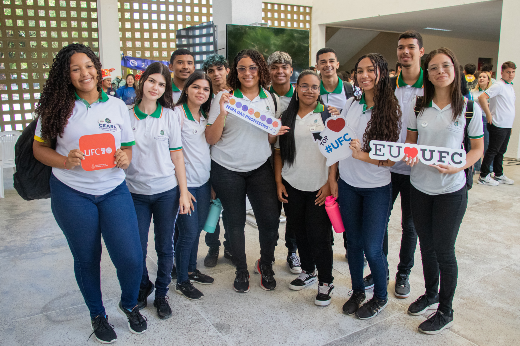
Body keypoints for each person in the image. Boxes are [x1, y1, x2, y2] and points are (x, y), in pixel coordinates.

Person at [32, 44, 146, 343]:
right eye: (75, 69)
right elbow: (39, 149)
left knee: (132, 257)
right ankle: (97, 314)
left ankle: (130, 303)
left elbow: (127, 146)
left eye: (89, 66)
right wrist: (64, 161)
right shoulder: (55, 107)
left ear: (98, 68)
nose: (85, 73)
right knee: (87, 258)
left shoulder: (117, 106)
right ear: (66, 75)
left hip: (113, 190)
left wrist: (125, 157)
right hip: (72, 193)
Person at [404, 47, 484, 334]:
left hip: (451, 189)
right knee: (426, 246)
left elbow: (477, 149)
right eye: (434, 67)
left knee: (444, 250)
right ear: (428, 73)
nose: (440, 72)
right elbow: (411, 142)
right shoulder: (418, 105)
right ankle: (431, 293)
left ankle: (446, 310)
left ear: (455, 69)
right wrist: (410, 153)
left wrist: (460, 165)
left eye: (446, 66)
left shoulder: (467, 107)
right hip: (420, 187)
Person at [206, 49, 289, 293]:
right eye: (242, 68)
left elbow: (269, 139)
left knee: (269, 221)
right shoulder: (224, 96)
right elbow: (211, 138)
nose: (247, 73)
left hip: (259, 167)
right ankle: (241, 269)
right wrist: (222, 112)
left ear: (260, 70)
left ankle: (266, 265)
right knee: (235, 222)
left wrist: (277, 132)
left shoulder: (270, 98)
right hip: (227, 168)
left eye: (252, 67)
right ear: (235, 71)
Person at [333, 53, 401, 320]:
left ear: (381, 73)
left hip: (375, 188)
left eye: (370, 70)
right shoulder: (352, 102)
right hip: (348, 184)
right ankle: (357, 290)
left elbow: (391, 159)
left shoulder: (392, 109)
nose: (364, 75)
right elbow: (343, 140)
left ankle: (381, 297)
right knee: (353, 244)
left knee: (373, 248)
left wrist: (362, 155)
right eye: (359, 71)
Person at [125, 62, 191, 319]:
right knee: (136, 248)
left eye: (162, 84)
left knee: (165, 246)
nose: (156, 87)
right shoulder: (126, 114)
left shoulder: (170, 116)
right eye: (152, 81)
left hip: (166, 192)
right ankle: (144, 286)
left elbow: (177, 157)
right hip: (134, 193)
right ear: (142, 82)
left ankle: (161, 293)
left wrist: (184, 192)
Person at [364, 30, 425, 299]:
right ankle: (382, 269)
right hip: (385, 167)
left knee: (410, 226)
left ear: (421, 51)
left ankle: (403, 274)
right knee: (380, 223)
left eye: (411, 47)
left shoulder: (431, 86)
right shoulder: (387, 84)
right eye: (401, 48)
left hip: (415, 170)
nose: (405, 52)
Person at [274, 70, 335, 306]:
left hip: (319, 186)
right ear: (296, 87)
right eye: (305, 86)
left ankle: (326, 281)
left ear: (320, 90)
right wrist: (279, 181)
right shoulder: (286, 116)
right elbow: (278, 152)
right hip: (292, 184)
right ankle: (308, 271)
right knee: (299, 232)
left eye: (315, 87)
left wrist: (330, 182)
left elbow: (336, 152)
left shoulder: (327, 115)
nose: (310, 91)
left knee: (320, 236)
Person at [174, 72, 216, 300]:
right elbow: (172, 152)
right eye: (196, 87)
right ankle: (182, 280)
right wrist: (182, 189)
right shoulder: (177, 114)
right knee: (188, 233)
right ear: (187, 89)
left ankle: (190, 269)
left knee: (197, 229)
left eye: (206, 89)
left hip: (203, 183)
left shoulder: (205, 116)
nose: (201, 92)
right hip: (185, 185)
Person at [267, 51, 302, 274]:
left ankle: (292, 251)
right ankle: (267, 254)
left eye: (284, 67)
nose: (280, 71)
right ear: (268, 71)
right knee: (269, 213)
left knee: (293, 212)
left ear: (291, 70)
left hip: (292, 161)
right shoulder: (262, 96)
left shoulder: (300, 96)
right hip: (264, 162)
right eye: (275, 67)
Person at [200, 54, 233, 268]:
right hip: (206, 157)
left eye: (219, 68)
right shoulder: (203, 95)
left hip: (230, 159)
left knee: (231, 206)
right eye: (210, 70)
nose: (215, 74)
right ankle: (213, 246)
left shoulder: (237, 94)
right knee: (212, 205)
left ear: (227, 70)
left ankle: (230, 246)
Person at [477, 61, 516, 186]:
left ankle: (498, 174)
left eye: (513, 72)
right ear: (502, 72)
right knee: (492, 150)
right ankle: (483, 176)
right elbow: (482, 97)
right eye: (508, 72)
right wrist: (488, 114)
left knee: (501, 151)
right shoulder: (498, 85)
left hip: (506, 124)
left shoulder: (509, 86)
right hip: (498, 123)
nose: (511, 75)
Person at [316, 48, 354, 112]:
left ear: (337, 64)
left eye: (331, 61)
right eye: (323, 62)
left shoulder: (351, 89)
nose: (328, 65)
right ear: (317, 67)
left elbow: (357, 115)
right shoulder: (313, 90)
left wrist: (341, 116)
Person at [471, 71, 493, 171]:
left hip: (485, 118)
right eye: (480, 77)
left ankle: (489, 166)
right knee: (475, 143)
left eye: (484, 77)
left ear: (488, 80)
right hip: (475, 119)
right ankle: (476, 166)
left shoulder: (491, 92)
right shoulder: (473, 92)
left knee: (487, 143)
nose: (481, 79)